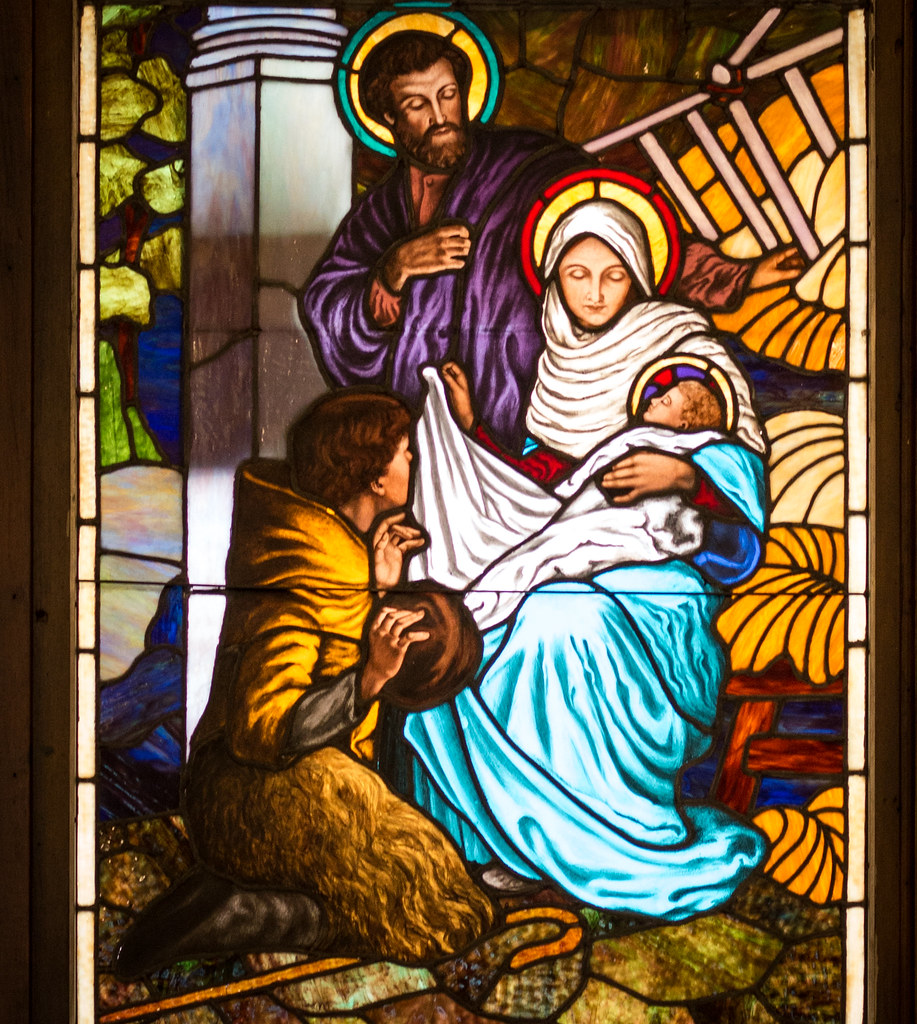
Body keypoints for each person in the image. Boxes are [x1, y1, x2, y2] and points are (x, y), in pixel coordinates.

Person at [399, 198, 769, 919]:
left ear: (639, 277)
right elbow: (551, 496)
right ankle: (509, 846)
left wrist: (688, 479)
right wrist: (472, 436)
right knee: (481, 627)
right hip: (559, 565)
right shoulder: (556, 370)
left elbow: (741, 552)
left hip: (660, 601)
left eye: (614, 275)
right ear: (554, 281)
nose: (595, 293)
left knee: (559, 618)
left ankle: (609, 837)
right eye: (577, 274)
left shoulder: (688, 358)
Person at [115, 391, 494, 977]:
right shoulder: (302, 574)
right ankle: (243, 914)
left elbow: (334, 642)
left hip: (301, 780)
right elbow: (263, 728)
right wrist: (370, 677)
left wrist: (377, 590)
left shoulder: (333, 557)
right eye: (404, 452)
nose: (413, 461)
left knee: (439, 889)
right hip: (248, 791)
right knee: (432, 911)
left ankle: (258, 908)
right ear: (373, 479)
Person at [302, 30, 803, 450]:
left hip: (528, 408)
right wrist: (392, 270)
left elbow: (623, 226)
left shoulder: (526, 163)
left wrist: (735, 277)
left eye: (448, 95)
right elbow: (326, 305)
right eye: (417, 104)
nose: (439, 116)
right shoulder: (378, 215)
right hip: (421, 428)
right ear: (388, 118)